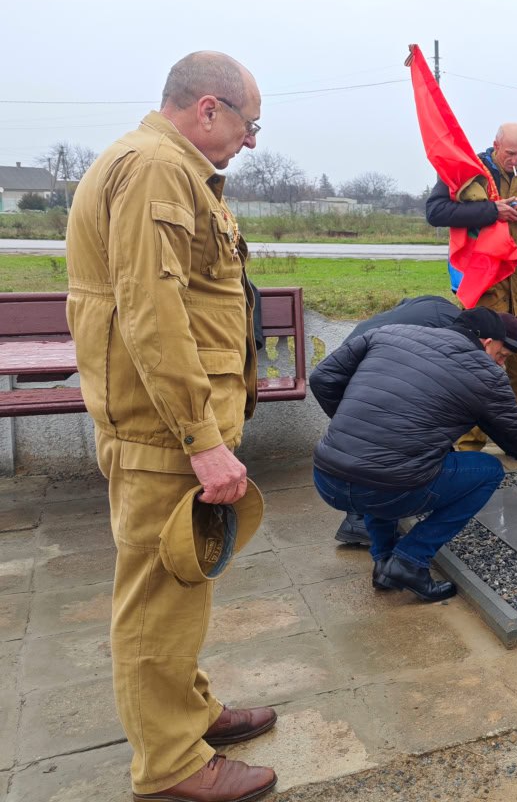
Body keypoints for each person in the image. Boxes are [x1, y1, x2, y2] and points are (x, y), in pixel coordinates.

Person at [65, 52, 277, 802]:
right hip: (165, 432)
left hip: (168, 426)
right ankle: (170, 766)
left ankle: (189, 713)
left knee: (184, 579)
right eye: (249, 124)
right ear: (209, 108)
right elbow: (151, 314)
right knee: (159, 594)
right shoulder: (156, 167)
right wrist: (202, 439)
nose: (252, 141)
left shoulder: (171, 167)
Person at [310, 307, 517, 600]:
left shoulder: (386, 334)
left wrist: (355, 429)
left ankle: (385, 563)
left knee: (388, 463)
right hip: (388, 489)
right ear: (487, 342)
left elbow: (322, 377)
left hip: (327, 478)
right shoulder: (483, 373)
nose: (500, 365)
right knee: (488, 471)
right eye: (501, 355)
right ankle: (410, 560)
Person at [425, 122, 517, 451]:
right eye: (510, 153)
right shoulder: (468, 170)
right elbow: (436, 212)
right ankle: (468, 447)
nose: (515, 160)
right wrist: (492, 211)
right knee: (476, 372)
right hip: (484, 291)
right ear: (495, 145)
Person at [329, 295, 462, 546]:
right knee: (383, 444)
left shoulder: (427, 308)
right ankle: (358, 521)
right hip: (370, 371)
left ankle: (365, 514)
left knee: (371, 443)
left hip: (349, 366)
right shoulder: (455, 330)